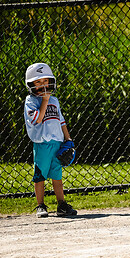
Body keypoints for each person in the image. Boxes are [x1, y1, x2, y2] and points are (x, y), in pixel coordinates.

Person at [24, 63, 78, 217]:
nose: (43, 85)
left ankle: (61, 205)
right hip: (42, 144)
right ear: (31, 85)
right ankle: (41, 205)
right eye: (38, 82)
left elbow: (61, 121)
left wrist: (68, 139)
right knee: (40, 175)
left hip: (57, 144)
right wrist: (45, 101)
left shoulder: (54, 100)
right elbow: (38, 119)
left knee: (57, 176)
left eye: (45, 81)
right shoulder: (31, 101)